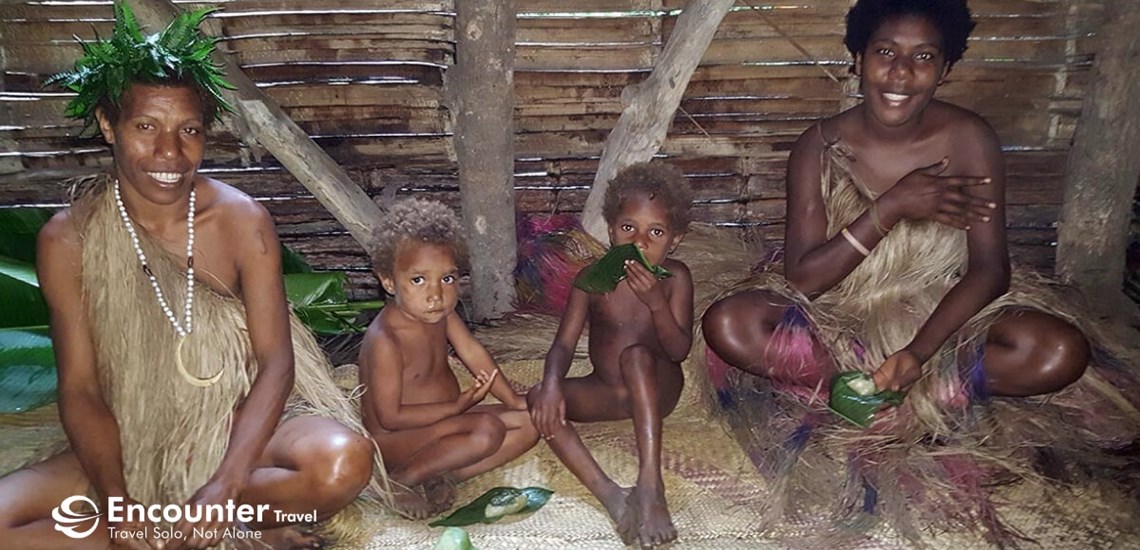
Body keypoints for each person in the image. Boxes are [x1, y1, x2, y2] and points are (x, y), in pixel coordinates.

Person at [699, 0, 1140, 545]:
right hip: (842, 314)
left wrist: (918, 352)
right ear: (858, 59)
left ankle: (914, 391)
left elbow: (989, 271)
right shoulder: (819, 147)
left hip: (944, 313)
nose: (901, 73)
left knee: (1059, 352)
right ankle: (867, 394)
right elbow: (805, 280)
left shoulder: (968, 139)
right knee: (729, 324)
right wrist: (890, 208)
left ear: (946, 67)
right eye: (885, 52)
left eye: (923, 56)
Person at [0, 4, 383, 549]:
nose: (170, 153)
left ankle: (216, 520)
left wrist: (225, 486)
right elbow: (81, 387)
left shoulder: (240, 221)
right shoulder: (69, 240)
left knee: (343, 463)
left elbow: (277, 366)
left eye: (189, 130)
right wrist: (114, 500)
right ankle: (233, 531)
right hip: (131, 436)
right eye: (145, 127)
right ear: (110, 126)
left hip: (241, 430)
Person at [529, 162, 695, 548]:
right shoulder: (591, 279)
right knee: (538, 398)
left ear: (676, 239)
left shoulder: (677, 278)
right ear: (611, 229)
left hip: (657, 390)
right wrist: (552, 384)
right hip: (607, 390)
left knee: (636, 356)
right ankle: (613, 497)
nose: (640, 242)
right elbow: (564, 345)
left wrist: (656, 303)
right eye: (628, 228)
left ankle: (651, 486)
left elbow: (678, 350)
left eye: (656, 232)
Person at [359, 198, 539, 521]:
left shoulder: (442, 313)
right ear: (388, 280)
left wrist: (513, 400)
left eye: (447, 279)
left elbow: (472, 353)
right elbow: (389, 417)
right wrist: (456, 407)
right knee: (487, 432)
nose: (436, 295)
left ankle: (441, 473)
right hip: (397, 441)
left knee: (531, 424)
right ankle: (403, 478)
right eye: (418, 280)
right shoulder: (385, 340)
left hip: (448, 424)